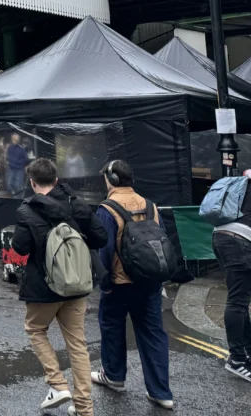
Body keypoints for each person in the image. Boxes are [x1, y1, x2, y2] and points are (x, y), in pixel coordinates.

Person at [10, 158, 107, 416]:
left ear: (32, 183)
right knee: (77, 343)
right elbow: (100, 237)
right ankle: (85, 408)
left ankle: (57, 384)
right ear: (56, 180)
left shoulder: (27, 210)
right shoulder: (76, 204)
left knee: (35, 328)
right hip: (77, 283)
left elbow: (19, 248)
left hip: (43, 287)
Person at [92, 160, 174, 409]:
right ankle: (161, 392)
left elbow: (103, 249)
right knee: (152, 334)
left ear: (112, 180)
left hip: (119, 283)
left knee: (112, 327)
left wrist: (103, 282)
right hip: (149, 282)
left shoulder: (107, 208)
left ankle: (114, 376)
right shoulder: (151, 206)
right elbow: (163, 239)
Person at [212, 168, 251, 383]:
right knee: (238, 301)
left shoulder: (244, 180)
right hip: (239, 240)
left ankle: (246, 353)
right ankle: (236, 359)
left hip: (222, 235)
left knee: (241, 299)